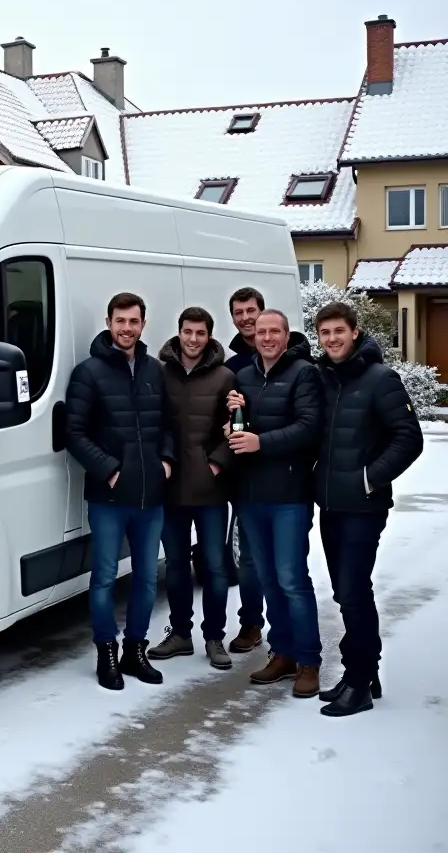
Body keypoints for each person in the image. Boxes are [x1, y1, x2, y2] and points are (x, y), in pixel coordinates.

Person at [313, 301, 423, 717]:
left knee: (355, 591)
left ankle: (359, 682)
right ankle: (364, 672)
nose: (333, 339)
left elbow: (409, 438)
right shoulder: (324, 378)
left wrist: (369, 478)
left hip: (364, 507)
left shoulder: (381, 379)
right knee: (345, 591)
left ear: (355, 332)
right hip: (331, 506)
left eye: (339, 331)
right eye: (325, 333)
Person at [65, 292, 176, 690]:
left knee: (147, 579)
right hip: (109, 498)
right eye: (120, 321)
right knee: (105, 578)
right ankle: (106, 652)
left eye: (134, 322)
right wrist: (110, 471)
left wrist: (166, 461)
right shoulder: (89, 373)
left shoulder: (154, 371)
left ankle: (135, 650)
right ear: (109, 322)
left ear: (143, 325)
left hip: (151, 497)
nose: (127, 328)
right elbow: (74, 433)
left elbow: (168, 424)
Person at [226, 309, 324, 697]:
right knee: (268, 580)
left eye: (274, 331)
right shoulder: (244, 377)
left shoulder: (304, 373)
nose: (266, 337)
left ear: (286, 336)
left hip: (289, 495)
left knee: (292, 580)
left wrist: (259, 442)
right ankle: (282, 653)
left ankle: (309, 661)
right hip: (250, 496)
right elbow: (240, 427)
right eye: (261, 331)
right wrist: (232, 425)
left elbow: (308, 427)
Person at [148, 307, 236, 670]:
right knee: (177, 567)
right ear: (179, 332)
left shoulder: (225, 377)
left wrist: (215, 463)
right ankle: (181, 634)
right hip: (171, 490)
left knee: (215, 568)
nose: (194, 339)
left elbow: (236, 427)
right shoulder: (159, 373)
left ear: (209, 335)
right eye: (188, 331)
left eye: (201, 333)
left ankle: (214, 637)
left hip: (211, 492)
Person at [224, 287, 267, 655]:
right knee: (249, 560)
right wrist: (229, 426)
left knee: (288, 565)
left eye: (251, 310)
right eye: (239, 312)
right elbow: (229, 422)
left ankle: (290, 638)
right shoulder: (233, 367)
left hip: (288, 479)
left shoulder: (294, 360)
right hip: (247, 480)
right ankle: (251, 623)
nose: (246, 318)